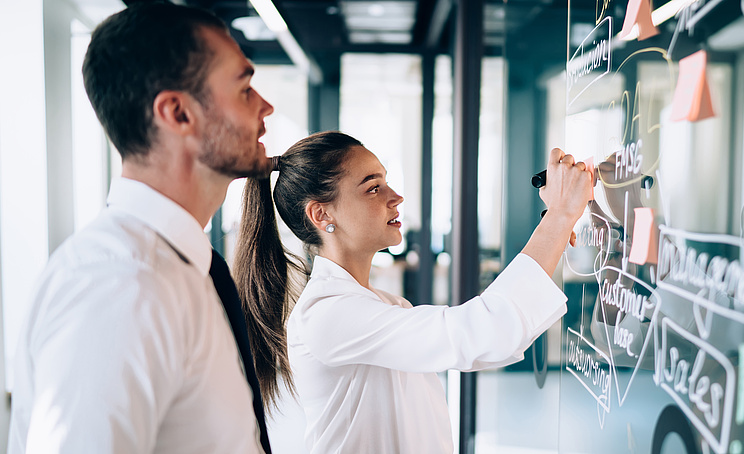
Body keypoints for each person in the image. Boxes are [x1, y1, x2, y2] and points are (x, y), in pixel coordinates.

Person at [8, 3, 275, 453]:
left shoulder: (180, 269)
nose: (265, 106)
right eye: (245, 88)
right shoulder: (120, 284)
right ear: (178, 113)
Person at [233, 131, 594, 453]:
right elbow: (481, 332)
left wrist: (554, 231)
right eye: (373, 187)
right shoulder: (327, 314)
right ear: (321, 214)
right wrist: (559, 217)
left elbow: (483, 346)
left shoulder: (386, 304)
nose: (396, 197)